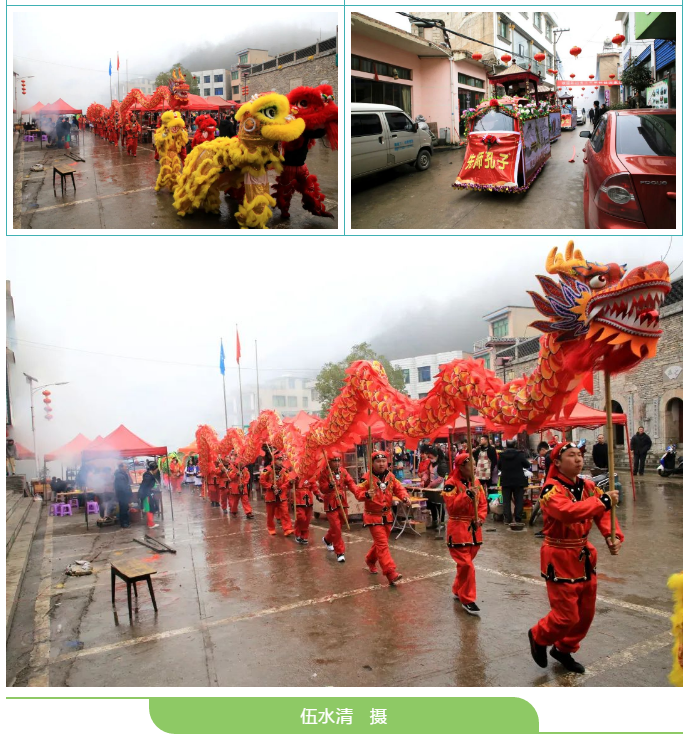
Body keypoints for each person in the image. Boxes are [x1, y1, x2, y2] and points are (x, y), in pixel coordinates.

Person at [528, 442, 623, 674]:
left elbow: (604, 514)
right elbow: (566, 512)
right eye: (571, 455)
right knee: (566, 615)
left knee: (585, 613)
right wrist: (603, 501)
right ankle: (539, 635)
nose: (578, 459)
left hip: (583, 554)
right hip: (559, 555)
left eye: (580, 455)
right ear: (557, 463)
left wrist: (613, 535)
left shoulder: (589, 486)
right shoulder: (551, 489)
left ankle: (564, 649)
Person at [352, 450, 411, 585]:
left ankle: (370, 560)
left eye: (383, 461)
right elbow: (357, 492)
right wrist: (366, 494)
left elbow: (399, 488)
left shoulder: (390, 476)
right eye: (378, 461)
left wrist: (405, 497)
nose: (381, 464)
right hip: (373, 517)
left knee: (380, 543)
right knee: (382, 544)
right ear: (372, 463)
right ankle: (390, 573)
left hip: (387, 515)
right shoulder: (366, 478)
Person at [442, 452, 488, 615]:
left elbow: (482, 504)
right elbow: (452, 507)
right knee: (467, 565)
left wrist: (480, 519)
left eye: (475, 464)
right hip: (458, 529)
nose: (475, 467)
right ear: (461, 467)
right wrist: (467, 495)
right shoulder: (450, 484)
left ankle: (457, 589)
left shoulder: (476, 482)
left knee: (465, 565)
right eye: (471, 464)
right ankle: (467, 599)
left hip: (474, 530)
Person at [316, 450, 356, 562]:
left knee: (342, 522)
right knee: (337, 528)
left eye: (339, 460)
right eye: (334, 461)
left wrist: (358, 492)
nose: (337, 463)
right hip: (330, 502)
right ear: (329, 462)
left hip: (342, 501)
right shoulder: (324, 473)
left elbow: (350, 482)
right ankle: (340, 552)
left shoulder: (343, 471)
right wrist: (329, 485)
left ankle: (328, 539)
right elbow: (322, 489)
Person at [259, 451, 294, 537]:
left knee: (285, 512)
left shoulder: (284, 471)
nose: (281, 462)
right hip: (271, 496)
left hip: (281, 495)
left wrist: (282, 488)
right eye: (279, 460)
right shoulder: (267, 469)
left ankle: (287, 529)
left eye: (281, 460)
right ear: (274, 460)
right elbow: (262, 481)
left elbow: (287, 481)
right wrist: (271, 486)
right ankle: (271, 528)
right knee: (270, 514)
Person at [498, 439, 531, 525]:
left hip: (506, 480)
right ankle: (518, 518)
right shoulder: (520, 455)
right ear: (515, 445)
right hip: (518, 480)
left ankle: (507, 519)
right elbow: (527, 465)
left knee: (506, 500)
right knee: (519, 500)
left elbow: (499, 467)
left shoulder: (502, 455)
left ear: (506, 445)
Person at [226, 452, 254, 519]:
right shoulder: (231, 468)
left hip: (243, 487)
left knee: (245, 500)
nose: (242, 463)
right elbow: (230, 477)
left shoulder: (245, 469)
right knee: (235, 501)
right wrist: (236, 475)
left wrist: (243, 483)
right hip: (235, 488)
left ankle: (248, 513)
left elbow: (247, 477)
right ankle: (234, 511)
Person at [294, 476, 316, 544]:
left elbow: (314, 487)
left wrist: (318, 494)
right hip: (299, 499)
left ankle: (304, 536)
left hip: (309, 500)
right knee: (301, 518)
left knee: (307, 520)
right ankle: (297, 533)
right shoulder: (295, 475)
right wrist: (291, 482)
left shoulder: (310, 476)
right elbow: (288, 485)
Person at [138, 461, 159, 529]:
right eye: (156, 470)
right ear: (154, 469)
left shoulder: (148, 474)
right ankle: (151, 524)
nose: (156, 471)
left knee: (150, 508)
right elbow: (145, 486)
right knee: (149, 508)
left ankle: (150, 523)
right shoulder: (148, 476)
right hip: (146, 494)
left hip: (147, 493)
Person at [114, 462, 133, 528]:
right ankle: (124, 523)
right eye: (125, 466)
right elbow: (122, 487)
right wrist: (127, 495)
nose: (126, 467)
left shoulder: (123, 474)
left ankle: (125, 522)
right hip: (123, 495)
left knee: (125, 509)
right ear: (121, 467)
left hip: (124, 495)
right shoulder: (120, 476)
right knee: (123, 509)